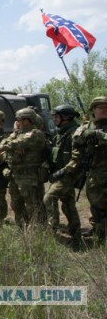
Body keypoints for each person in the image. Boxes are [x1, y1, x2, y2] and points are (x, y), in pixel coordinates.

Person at [54, 96, 107, 242]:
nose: (104, 110)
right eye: (100, 108)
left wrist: (99, 135)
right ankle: (99, 233)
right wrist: (88, 134)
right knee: (96, 206)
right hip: (96, 175)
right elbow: (76, 140)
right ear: (93, 110)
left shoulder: (97, 130)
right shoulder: (86, 127)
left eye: (106, 107)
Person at [0, 108, 47, 228]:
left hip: (29, 176)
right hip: (15, 175)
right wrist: (9, 146)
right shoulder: (17, 134)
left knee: (33, 205)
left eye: (19, 119)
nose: (17, 122)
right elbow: (5, 141)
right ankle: (22, 227)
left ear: (27, 120)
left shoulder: (36, 133)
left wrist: (8, 147)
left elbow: (21, 142)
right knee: (16, 204)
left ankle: (38, 231)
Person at [43, 105, 81, 240]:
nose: (54, 120)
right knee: (68, 203)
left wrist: (59, 173)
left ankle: (52, 232)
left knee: (49, 197)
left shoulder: (74, 134)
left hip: (69, 174)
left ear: (66, 118)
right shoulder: (61, 133)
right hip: (62, 173)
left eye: (56, 117)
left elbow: (76, 160)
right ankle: (75, 233)